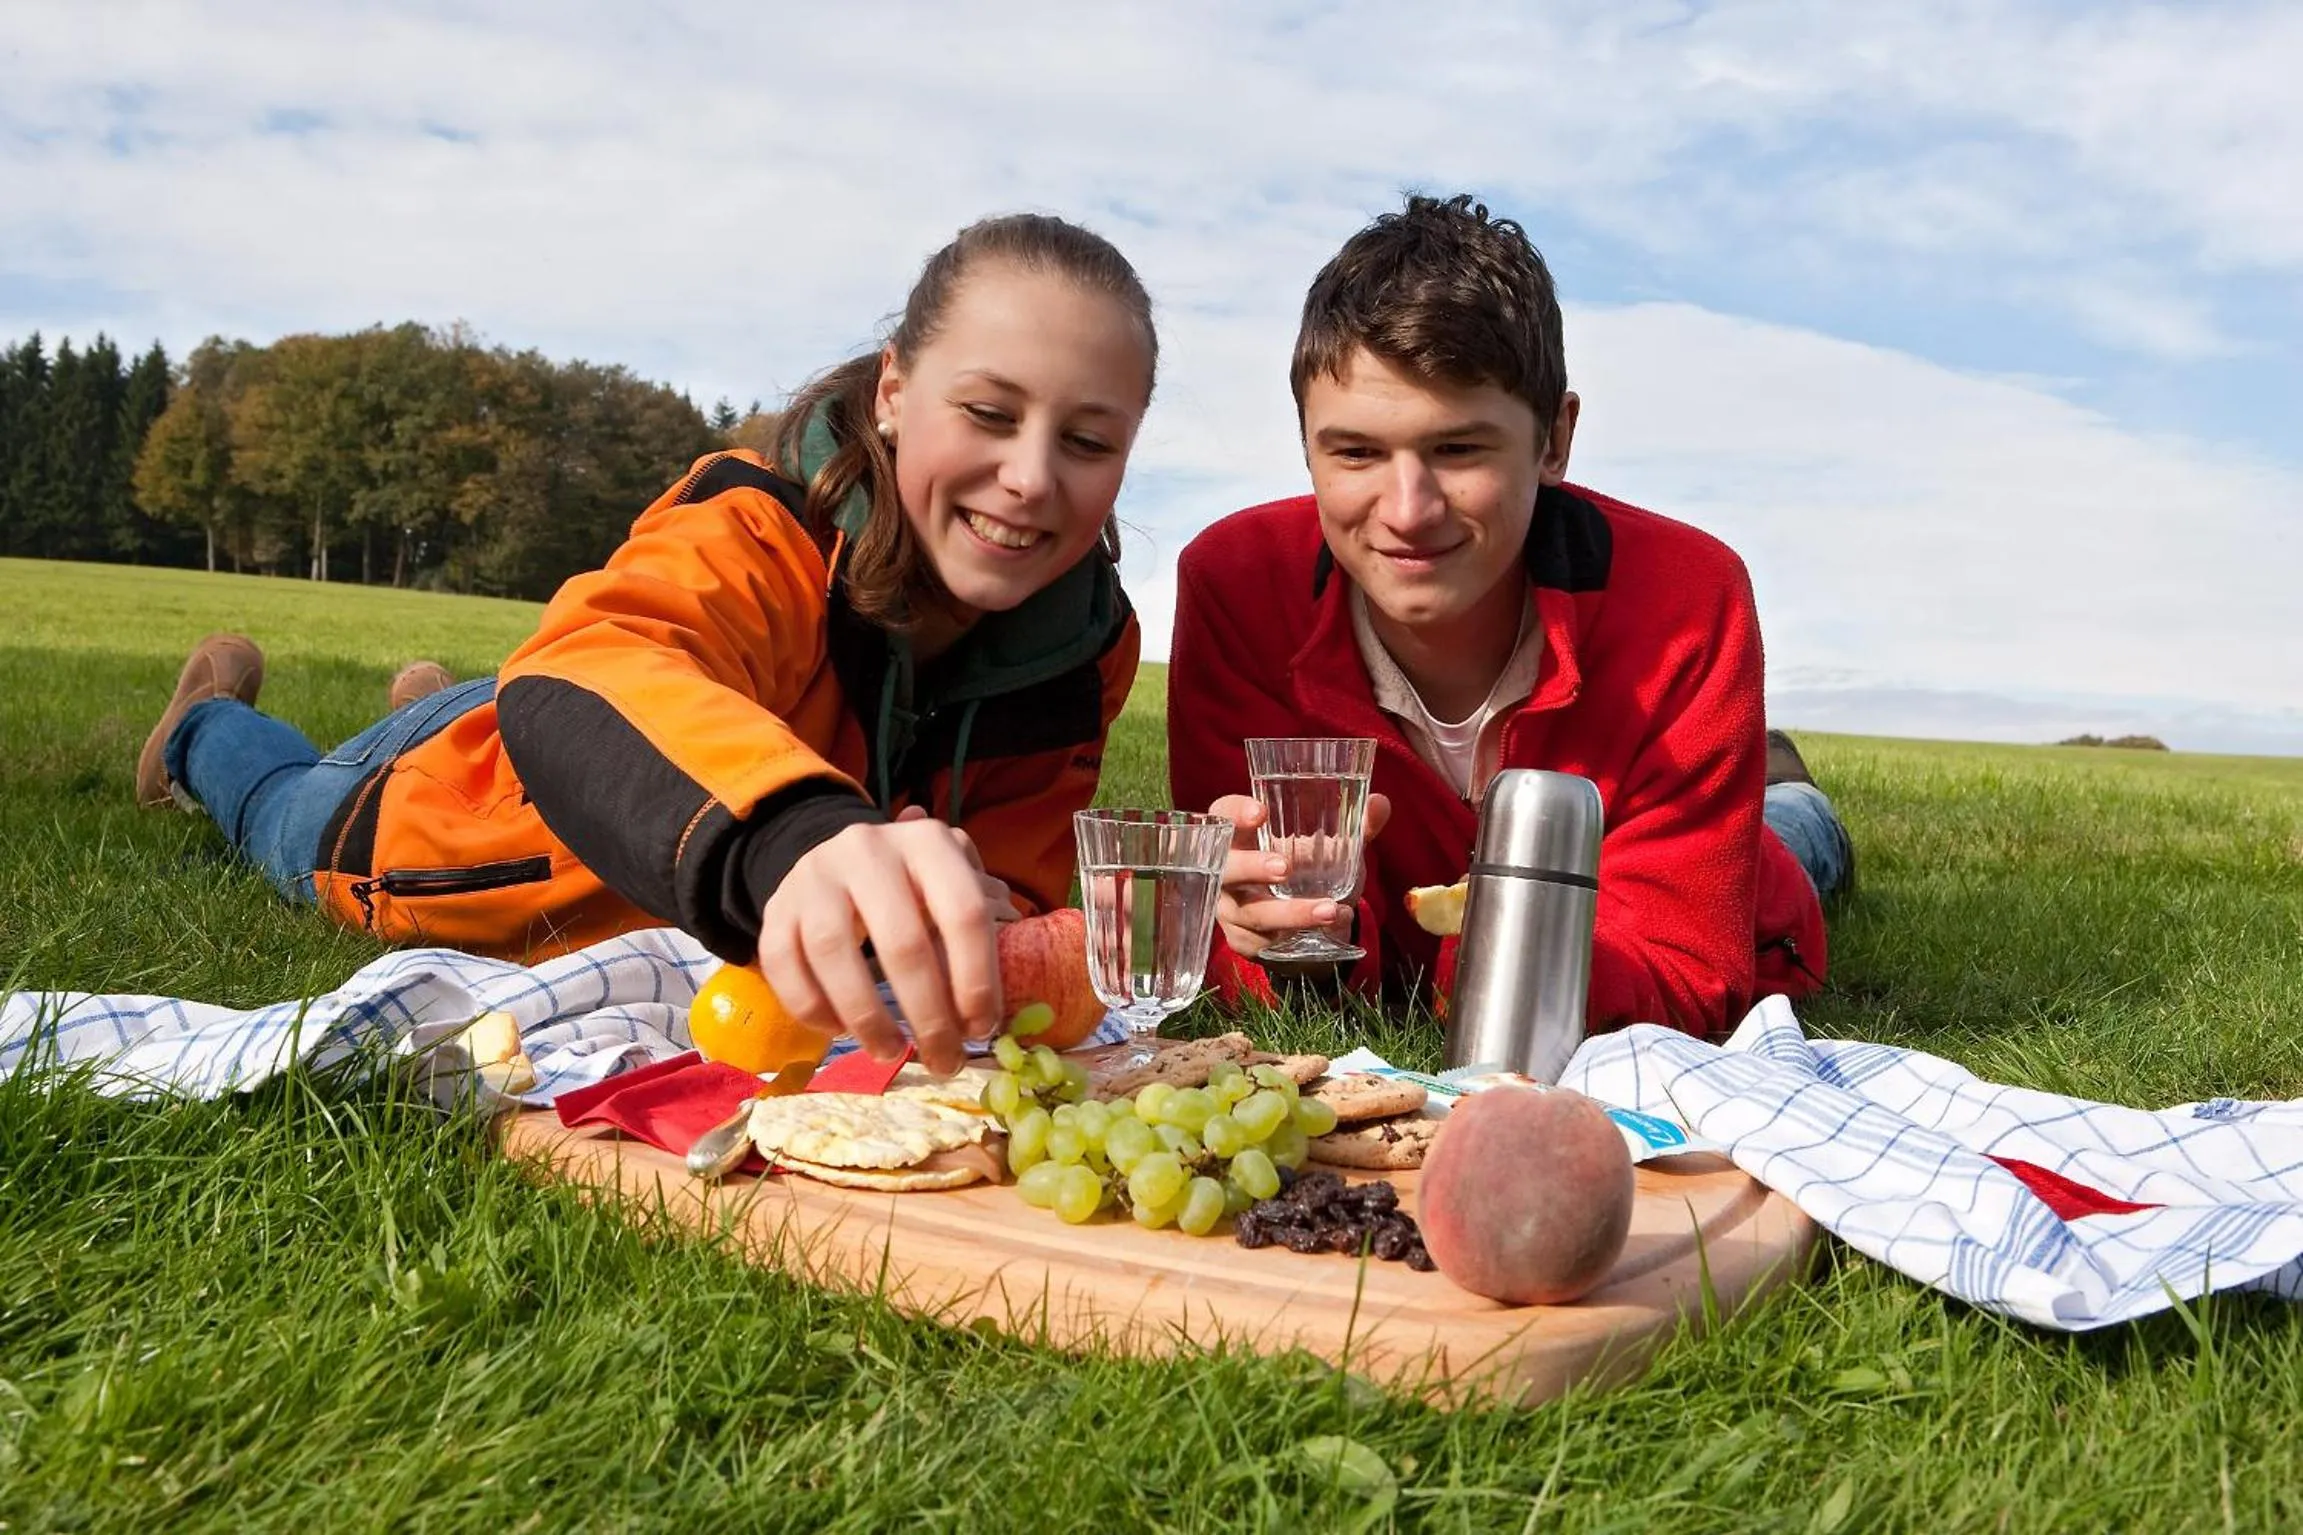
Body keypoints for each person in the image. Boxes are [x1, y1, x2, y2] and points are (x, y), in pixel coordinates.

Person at [135, 213, 1157, 1074]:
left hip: (567, 717)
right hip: (460, 809)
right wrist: (792, 836)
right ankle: (203, 722)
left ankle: (430, 697)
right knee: (274, 805)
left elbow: (1009, 885)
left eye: (1086, 441)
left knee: (476, 702)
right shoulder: (754, 522)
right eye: (988, 411)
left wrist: (981, 909)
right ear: (893, 394)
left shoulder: (1084, 646)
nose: (1029, 476)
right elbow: (590, 673)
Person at [1168, 194, 1853, 1038]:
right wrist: (1278, 936)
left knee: (1791, 839)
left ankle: (1792, 798)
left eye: (1458, 450)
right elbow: (1236, 921)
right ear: (1304, 438)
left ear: (1554, 440)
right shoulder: (1234, 584)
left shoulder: (1689, 597)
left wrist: (1488, 958)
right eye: (1354, 452)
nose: (1407, 510)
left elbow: (1688, 968)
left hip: (1751, 881)